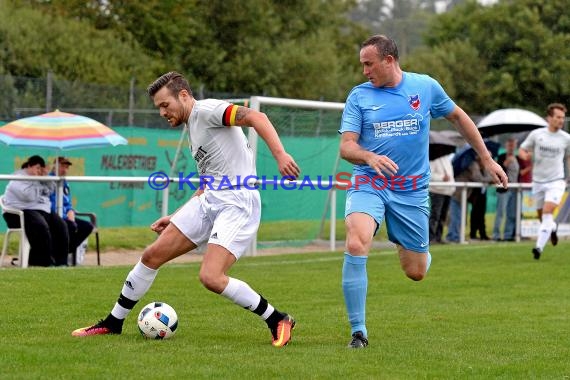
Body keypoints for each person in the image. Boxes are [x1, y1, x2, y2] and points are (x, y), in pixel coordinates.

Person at [71, 72, 301, 348]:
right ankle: (113, 322)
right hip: (210, 200)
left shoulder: (208, 111)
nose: (161, 112)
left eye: (165, 105)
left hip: (237, 202)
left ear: (183, 95)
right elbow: (209, 180)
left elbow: (257, 117)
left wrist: (280, 155)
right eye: (158, 107)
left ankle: (277, 319)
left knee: (211, 277)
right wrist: (177, 216)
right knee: (151, 255)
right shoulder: (193, 126)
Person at [338, 35, 507, 348]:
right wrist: (369, 157)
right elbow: (347, 146)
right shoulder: (359, 96)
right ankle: (358, 332)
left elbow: (458, 116)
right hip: (369, 182)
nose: (364, 71)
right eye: (362, 64)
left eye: (368, 64)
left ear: (389, 60)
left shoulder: (425, 87)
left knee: (415, 272)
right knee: (356, 240)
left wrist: (486, 158)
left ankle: (408, 241)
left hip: (412, 191)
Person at [519, 103, 570, 260]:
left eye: (562, 117)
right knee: (543, 217)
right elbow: (522, 150)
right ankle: (553, 227)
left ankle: (538, 248)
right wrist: (524, 156)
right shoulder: (537, 134)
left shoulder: (566, 138)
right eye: (558, 117)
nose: (561, 120)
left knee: (548, 211)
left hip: (556, 181)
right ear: (549, 118)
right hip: (538, 181)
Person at [2, 155, 69, 266]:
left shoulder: (38, 177)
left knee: (61, 225)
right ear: (29, 166)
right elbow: (29, 196)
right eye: (37, 168)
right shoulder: (18, 178)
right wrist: (40, 185)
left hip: (38, 210)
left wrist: (46, 177)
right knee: (40, 225)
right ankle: (43, 262)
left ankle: (61, 262)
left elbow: (50, 190)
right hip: (17, 213)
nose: (39, 171)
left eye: (40, 169)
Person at [49, 157, 94, 263]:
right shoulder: (48, 180)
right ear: (54, 166)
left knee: (87, 226)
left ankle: (63, 252)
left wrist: (71, 215)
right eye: (62, 166)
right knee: (67, 226)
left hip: (64, 216)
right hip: (53, 216)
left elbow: (68, 203)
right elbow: (49, 203)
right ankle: (59, 257)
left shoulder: (64, 182)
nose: (64, 170)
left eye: (66, 167)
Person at [492, 138, 521, 241]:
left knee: (512, 214)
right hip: (503, 189)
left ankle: (508, 235)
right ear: (506, 146)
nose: (511, 147)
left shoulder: (517, 157)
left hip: (515, 190)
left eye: (513, 145)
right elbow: (498, 172)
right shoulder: (501, 157)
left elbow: (520, 173)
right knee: (500, 213)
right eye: (509, 145)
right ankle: (496, 235)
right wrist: (506, 163)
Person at [428, 154, 455, 244]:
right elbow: (429, 174)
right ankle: (430, 238)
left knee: (443, 216)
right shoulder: (433, 158)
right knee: (435, 215)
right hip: (437, 190)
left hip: (448, 190)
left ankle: (438, 237)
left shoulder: (447, 159)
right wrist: (441, 178)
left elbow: (450, 175)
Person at [468, 156, 493, 240]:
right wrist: (488, 180)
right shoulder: (474, 165)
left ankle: (483, 234)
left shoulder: (485, 167)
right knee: (475, 214)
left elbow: (489, 177)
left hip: (482, 193)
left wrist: (487, 179)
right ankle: (473, 234)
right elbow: (478, 178)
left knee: (481, 214)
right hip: (475, 193)